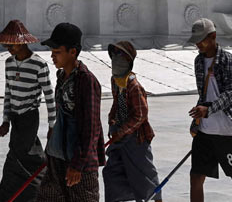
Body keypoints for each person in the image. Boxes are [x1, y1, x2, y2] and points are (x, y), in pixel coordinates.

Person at [186, 19, 232, 202]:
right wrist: (197, 120)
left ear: (213, 37)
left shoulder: (227, 60)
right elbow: (204, 93)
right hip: (205, 130)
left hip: (226, 130)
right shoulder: (198, 61)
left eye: (201, 40)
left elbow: (230, 93)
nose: (197, 44)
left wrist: (208, 109)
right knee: (196, 177)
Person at [0, 19, 55, 202]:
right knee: (21, 154)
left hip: (30, 116)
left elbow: (49, 96)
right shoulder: (9, 63)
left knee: (21, 155)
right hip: (15, 118)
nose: (8, 47)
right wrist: (5, 121)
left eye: (11, 44)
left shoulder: (39, 65)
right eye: (6, 44)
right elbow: (8, 93)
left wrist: (53, 125)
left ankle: (37, 188)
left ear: (23, 42)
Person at [40, 22, 103, 202]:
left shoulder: (86, 80)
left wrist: (77, 164)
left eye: (57, 52)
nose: (52, 56)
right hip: (57, 156)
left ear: (72, 52)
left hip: (79, 163)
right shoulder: (62, 77)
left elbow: (91, 127)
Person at [103, 41, 160, 202]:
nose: (115, 60)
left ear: (128, 61)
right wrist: (112, 121)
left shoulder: (134, 85)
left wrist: (123, 131)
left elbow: (140, 115)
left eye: (119, 56)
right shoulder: (115, 81)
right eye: (113, 56)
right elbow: (116, 103)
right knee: (112, 171)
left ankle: (157, 199)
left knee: (144, 173)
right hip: (119, 135)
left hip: (136, 138)